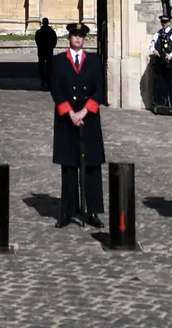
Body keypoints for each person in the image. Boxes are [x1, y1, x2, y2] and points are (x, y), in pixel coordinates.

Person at [48, 22, 105, 227]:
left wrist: (84, 111)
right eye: (74, 36)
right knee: (69, 166)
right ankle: (68, 211)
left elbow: (99, 88)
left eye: (81, 36)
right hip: (67, 119)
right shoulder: (59, 61)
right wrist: (70, 112)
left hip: (88, 118)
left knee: (92, 166)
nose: (78, 39)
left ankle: (93, 211)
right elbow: (55, 88)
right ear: (69, 38)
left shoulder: (94, 61)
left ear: (85, 40)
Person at [151, 14, 172, 109]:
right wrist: (154, 50)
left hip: (170, 62)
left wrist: (171, 56)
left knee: (170, 82)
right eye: (162, 22)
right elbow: (152, 43)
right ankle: (162, 102)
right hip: (161, 61)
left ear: (169, 23)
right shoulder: (158, 33)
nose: (164, 24)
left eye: (165, 22)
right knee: (161, 81)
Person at [34, 17, 57, 82]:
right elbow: (54, 40)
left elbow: (37, 41)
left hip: (41, 51)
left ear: (42, 23)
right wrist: (52, 47)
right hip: (49, 51)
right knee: (49, 66)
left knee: (41, 66)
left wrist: (40, 46)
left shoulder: (39, 32)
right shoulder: (52, 32)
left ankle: (43, 81)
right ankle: (48, 81)